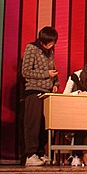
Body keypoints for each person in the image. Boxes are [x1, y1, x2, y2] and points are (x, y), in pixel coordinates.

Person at [21, 26, 60, 166]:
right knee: (33, 123)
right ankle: (30, 154)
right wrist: (46, 74)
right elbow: (25, 71)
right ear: (43, 40)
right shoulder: (31, 48)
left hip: (47, 92)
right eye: (50, 42)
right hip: (34, 90)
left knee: (45, 124)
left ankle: (40, 152)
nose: (52, 45)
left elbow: (53, 69)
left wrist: (55, 83)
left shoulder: (50, 52)